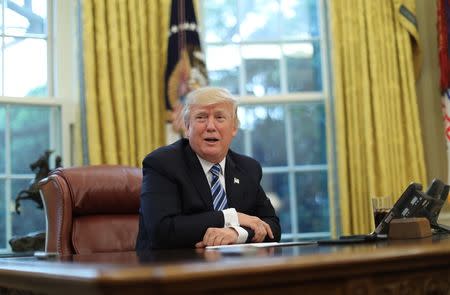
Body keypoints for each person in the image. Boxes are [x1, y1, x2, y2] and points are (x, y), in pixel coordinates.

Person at [135, 87, 281, 249]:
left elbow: (272, 226)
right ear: (187, 127)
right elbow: (162, 230)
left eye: (219, 117)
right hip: (175, 269)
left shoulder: (247, 168)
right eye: (201, 117)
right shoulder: (162, 164)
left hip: (234, 268)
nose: (210, 126)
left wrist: (236, 233)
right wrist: (231, 217)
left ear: (234, 127)